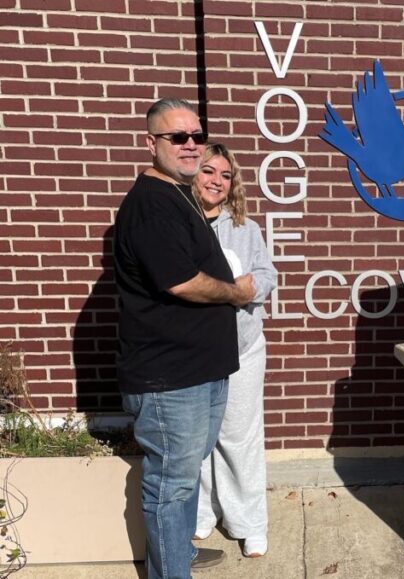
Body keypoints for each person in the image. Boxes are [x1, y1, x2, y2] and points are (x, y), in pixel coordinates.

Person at [113, 98, 256, 578]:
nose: (191, 144)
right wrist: (236, 292)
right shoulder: (152, 205)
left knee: (183, 475)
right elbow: (182, 281)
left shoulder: (178, 195)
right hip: (170, 381)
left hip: (197, 372)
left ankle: (179, 555)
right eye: (178, 137)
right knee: (170, 486)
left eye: (197, 135)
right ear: (151, 142)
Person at [192, 142, 277, 558]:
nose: (217, 182)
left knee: (239, 435)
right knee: (200, 436)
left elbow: (266, 276)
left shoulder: (245, 227)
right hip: (192, 350)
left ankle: (249, 522)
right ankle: (205, 512)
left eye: (225, 176)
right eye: (209, 171)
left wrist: (241, 291)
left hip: (242, 346)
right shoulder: (180, 222)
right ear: (193, 172)